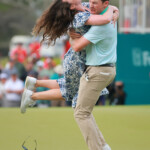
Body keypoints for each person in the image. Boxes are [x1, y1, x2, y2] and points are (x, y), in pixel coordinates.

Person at [20, 1, 118, 149]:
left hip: (83, 59)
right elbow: (104, 18)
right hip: (76, 59)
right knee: (72, 93)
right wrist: (111, 9)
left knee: (71, 91)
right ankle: (33, 93)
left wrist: (114, 10)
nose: (91, 4)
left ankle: (34, 87)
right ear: (71, 6)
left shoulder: (86, 5)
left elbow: (109, 10)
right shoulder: (78, 17)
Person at [69, 0, 117, 149]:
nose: (91, 5)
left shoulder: (101, 26)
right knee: (83, 111)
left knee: (81, 113)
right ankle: (103, 146)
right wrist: (115, 10)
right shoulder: (107, 14)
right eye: (90, 2)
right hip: (102, 70)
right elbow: (113, 9)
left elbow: (76, 46)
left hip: (98, 71)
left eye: (95, 3)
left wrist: (70, 35)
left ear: (105, 4)